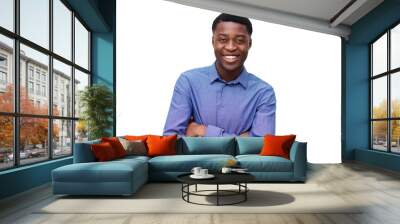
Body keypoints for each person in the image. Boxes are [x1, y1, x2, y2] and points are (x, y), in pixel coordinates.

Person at [163, 13, 276, 137]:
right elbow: (170, 139)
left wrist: (202, 131)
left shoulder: (263, 92)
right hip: (197, 158)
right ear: (213, 42)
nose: (231, 47)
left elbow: (261, 147)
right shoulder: (188, 82)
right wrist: (240, 139)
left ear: (249, 43)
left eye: (240, 40)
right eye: (223, 40)